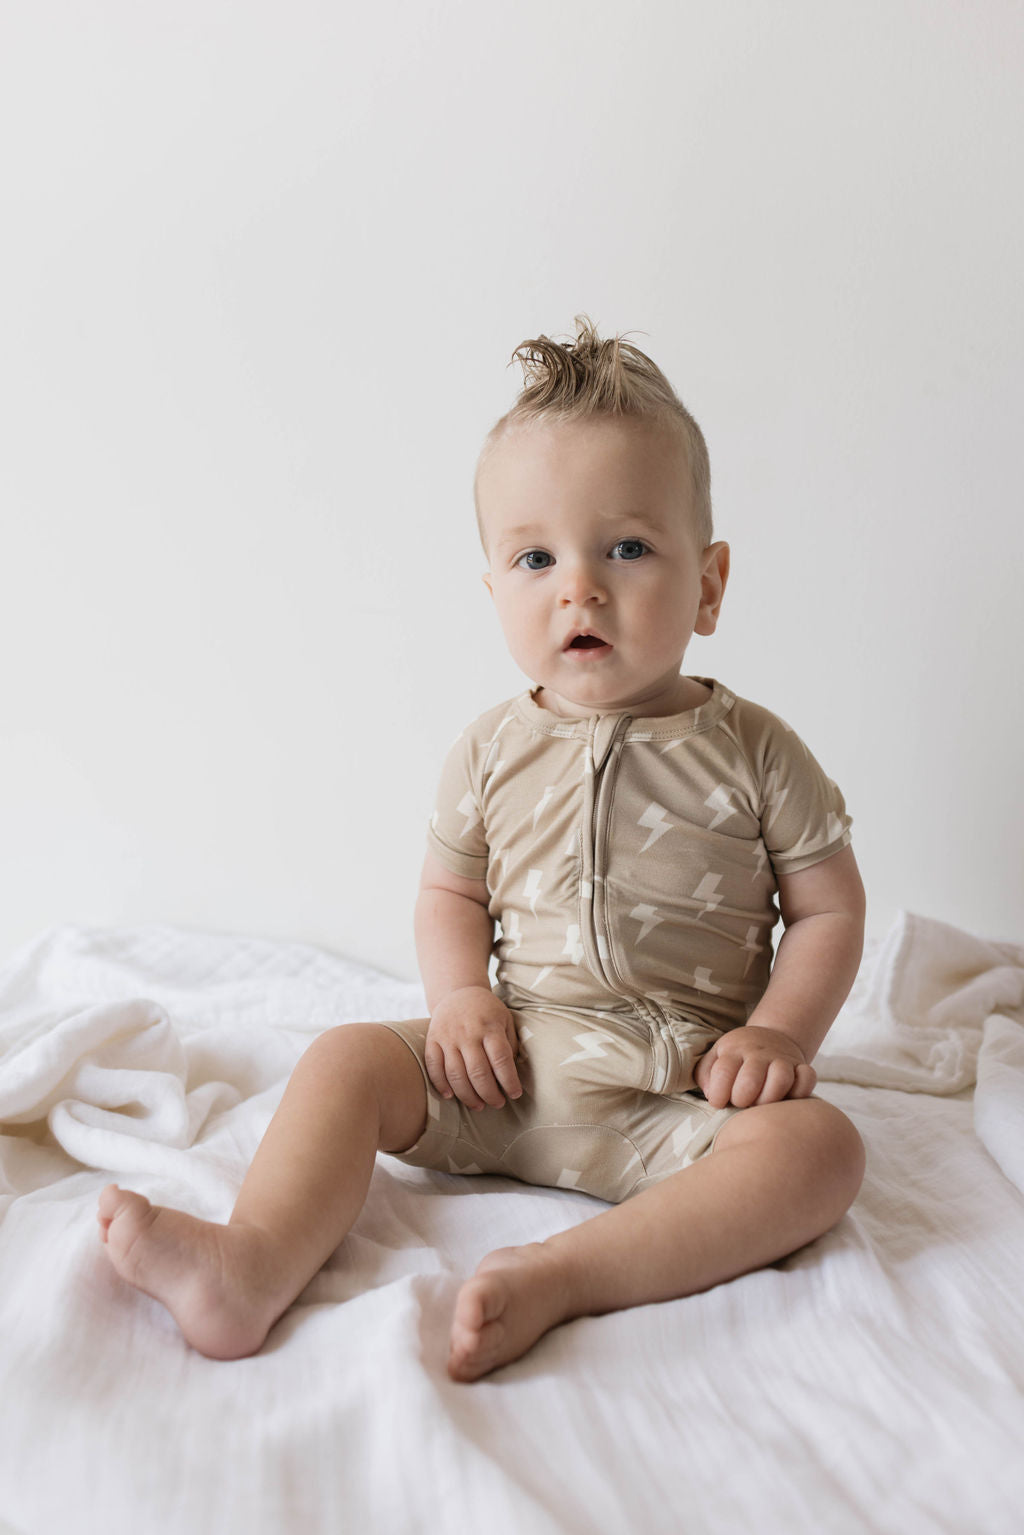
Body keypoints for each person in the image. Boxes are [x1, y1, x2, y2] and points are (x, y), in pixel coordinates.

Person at [98, 315, 866, 1383]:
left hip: (679, 1095)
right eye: (536, 555)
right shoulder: (489, 749)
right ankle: (253, 1259)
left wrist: (780, 1031)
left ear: (709, 581)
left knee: (820, 1151)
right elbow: (447, 892)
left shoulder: (756, 752)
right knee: (348, 1057)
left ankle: (565, 1274)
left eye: (628, 547)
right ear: (494, 588)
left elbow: (828, 908)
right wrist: (460, 999)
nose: (578, 587)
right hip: (510, 1073)